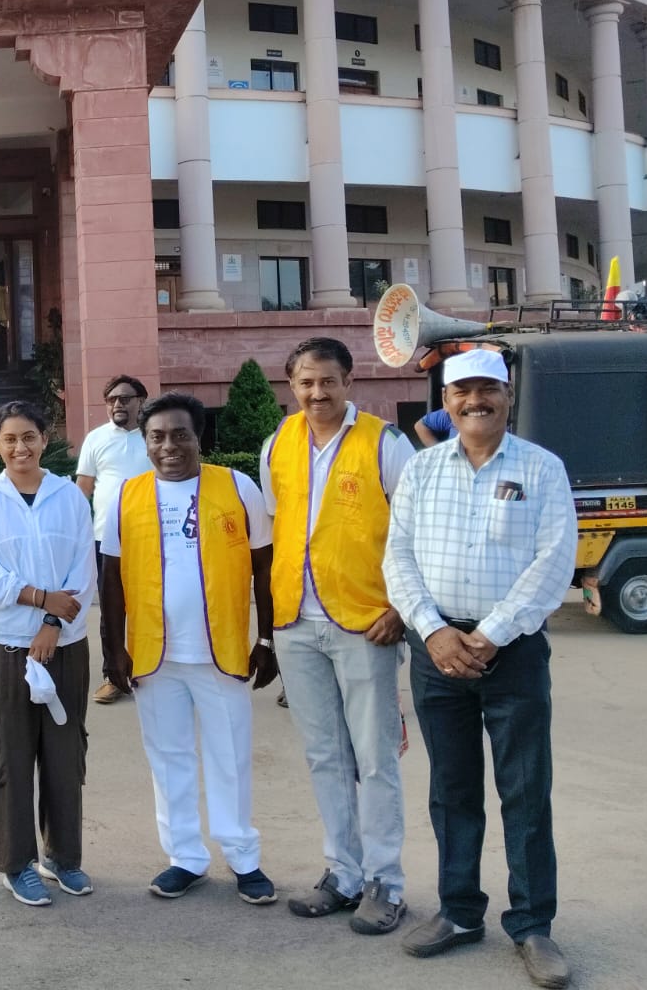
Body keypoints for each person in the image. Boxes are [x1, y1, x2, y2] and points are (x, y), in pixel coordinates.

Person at [384, 348, 576, 990]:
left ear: (508, 394)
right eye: (462, 391)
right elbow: (398, 558)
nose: (475, 401)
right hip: (437, 653)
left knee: (524, 790)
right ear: (446, 401)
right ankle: (460, 912)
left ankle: (532, 926)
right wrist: (434, 632)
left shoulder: (542, 469)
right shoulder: (422, 471)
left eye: (487, 390)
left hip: (513, 652)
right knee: (453, 790)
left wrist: (491, 634)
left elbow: (554, 561)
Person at [99, 392, 280, 906]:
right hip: (154, 656)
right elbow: (110, 577)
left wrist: (266, 638)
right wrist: (114, 650)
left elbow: (264, 567)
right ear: (145, 442)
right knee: (169, 757)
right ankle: (185, 856)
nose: (169, 446)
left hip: (221, 653)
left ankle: (244, 858)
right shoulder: (126, 495)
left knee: (230, 757)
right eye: (157, 436)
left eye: (181, 434)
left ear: (200, 437)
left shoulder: (236, 487)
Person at [260, 337, 415, 933]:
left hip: (365, 623)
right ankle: (342, 873)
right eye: (305, 383)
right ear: (291, 386)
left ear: (349, 382)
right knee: (325, 755)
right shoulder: (278, 445)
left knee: (375, 760)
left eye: (328, 381)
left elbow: (413, 532)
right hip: (298, 623)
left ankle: (386, 882)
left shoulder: (384, 444)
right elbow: (280, 531)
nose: (317, 393)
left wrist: (400, 608)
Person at [0, 400, 96, 907]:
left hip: (64, 643)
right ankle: (17, 863)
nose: (21, 447)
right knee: (10, 754)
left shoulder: (68, 497)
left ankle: (63, 858)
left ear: (45, 439)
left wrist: (52, 624)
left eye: (30, 437)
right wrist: (39, 600)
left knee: (65, 755)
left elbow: (82, 569)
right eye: (10, 439)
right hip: (4, 645)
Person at [75, 373, 152, 704]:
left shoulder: (154, 435)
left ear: (140, 401)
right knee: (111, 609)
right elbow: (84, 489)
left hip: (151, 538)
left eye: (125, 398)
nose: (118, 405)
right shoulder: (95, 438)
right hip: (105, 539)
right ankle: (114, 675)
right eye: (111, 400)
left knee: (151, 607)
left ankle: (151, 669)